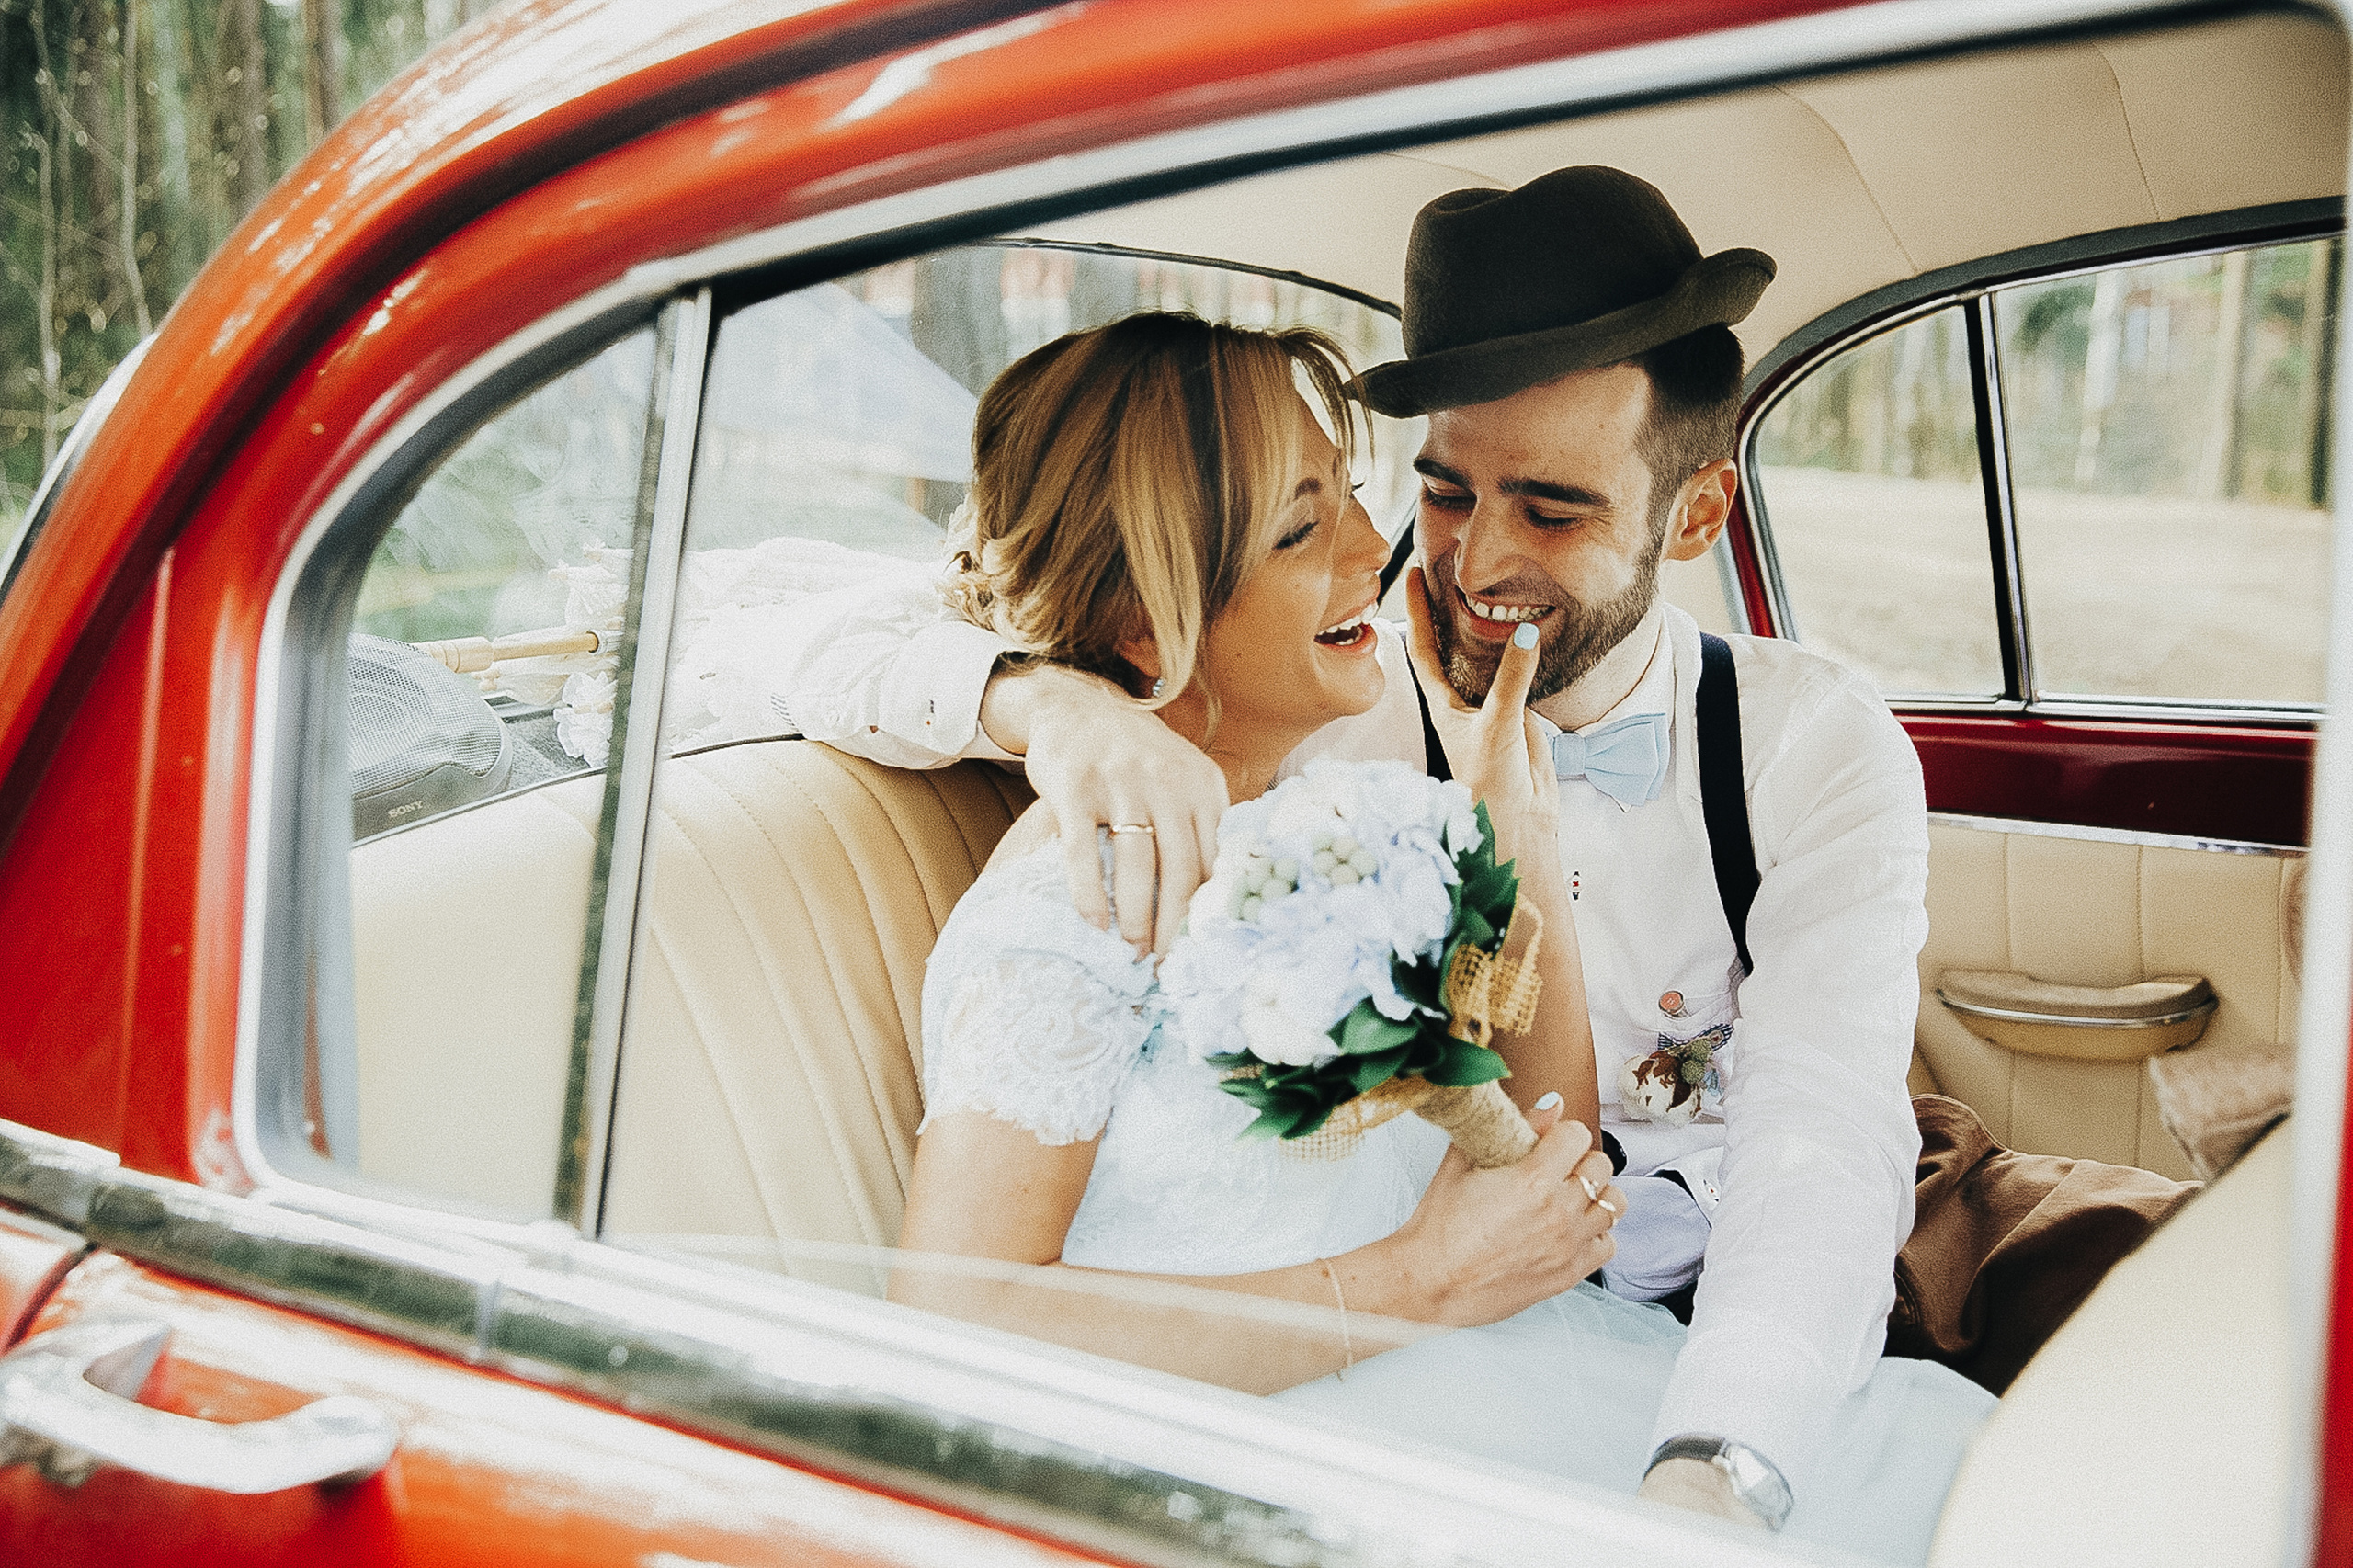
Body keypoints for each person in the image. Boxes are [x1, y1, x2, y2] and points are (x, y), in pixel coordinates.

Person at [881, 306, 1995, 1568]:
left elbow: (1551, 1147)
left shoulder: (1320, 806)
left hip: (1511, 1352)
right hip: (1304, 1433)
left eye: (1553, 509)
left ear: (1694, 515)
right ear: (1149, 622)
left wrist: (1510, 816)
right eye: (1314, 523)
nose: (1402, 551)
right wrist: (1041, 697)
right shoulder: (1090, 881)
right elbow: (955, 1324)